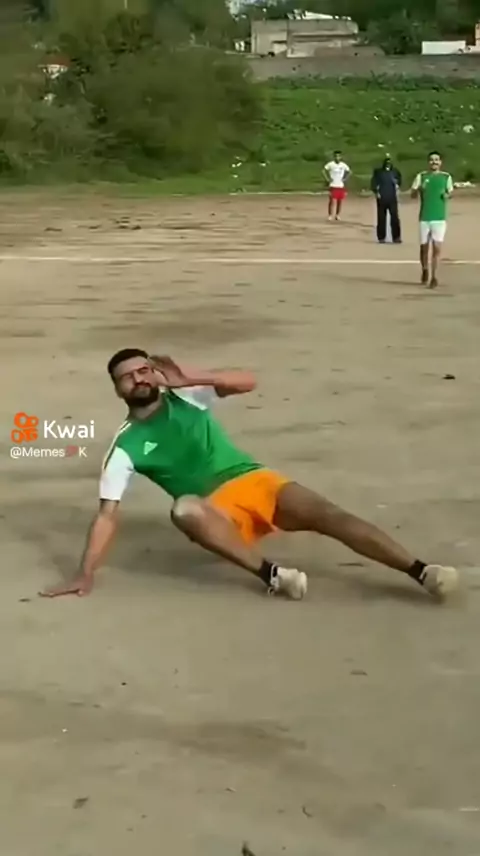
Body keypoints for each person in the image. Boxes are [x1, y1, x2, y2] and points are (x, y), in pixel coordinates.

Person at [41, 349, 458, 601]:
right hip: (218, 512)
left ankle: (420, 571)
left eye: (143, 370)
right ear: (117, 389)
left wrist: (192, 377)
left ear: (155, 373)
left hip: (256, 482)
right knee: (184, 509)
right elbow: (107, 515)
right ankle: (273, 576)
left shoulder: (188, 397)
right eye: (127, 377)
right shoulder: (125, 445)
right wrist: (85, 572)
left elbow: (248, 382)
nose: (138, 379)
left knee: (330, 515)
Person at [411, 151, 454, 289]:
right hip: (425, 217)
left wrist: (446, 196)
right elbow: (412, 195)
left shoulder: (446, 177)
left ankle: (434, 277)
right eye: (431, 160)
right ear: (428, 162)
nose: (434, 162)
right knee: (424, 248)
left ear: (440, 162)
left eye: (436, 160)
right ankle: (425, 269)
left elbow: (450, 193)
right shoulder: (421, 176)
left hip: (439, 218)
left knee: (437, 248)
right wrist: (418, 189)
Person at [371, 155, 402, 244]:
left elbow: (399, 181)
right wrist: (376, 192)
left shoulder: (395, 172)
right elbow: (373, 183)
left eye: (389, 162)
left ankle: (396, 237)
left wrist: (398, 186)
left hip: (392, 197)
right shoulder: (378, 172)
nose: (388, 164)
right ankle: (381, 237)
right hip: (382, 197)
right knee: (381, 218)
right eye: (387, 162)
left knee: (395, 218)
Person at [324, 151, 350, 221]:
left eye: (338, 156)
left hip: (340, 185)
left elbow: (349, 171)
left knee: (339, 201)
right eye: (336, 156)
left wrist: (345, 179)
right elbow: (323, 170)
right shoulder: (331, 164)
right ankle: (330, 215)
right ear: (334, 157)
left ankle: (337, 215)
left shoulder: (343, 165)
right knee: (331, 201)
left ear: (341, 157)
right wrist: (327, 179)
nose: (337, 158)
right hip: (333, 185)